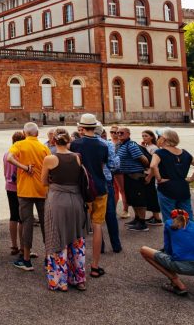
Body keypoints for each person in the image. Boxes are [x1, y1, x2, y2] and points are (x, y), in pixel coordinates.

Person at [41, 129, 88, 291]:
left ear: (53, 142)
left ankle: (60, 280)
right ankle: (78, 278)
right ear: (69, 142)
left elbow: (43, 181)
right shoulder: (77, 157)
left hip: (57, 200)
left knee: (57, 236)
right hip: (75, 199)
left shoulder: (50, 158)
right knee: (76, 238)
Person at [69, 113, 110, 278]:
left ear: (81, 127)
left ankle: (76, 264)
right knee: (98, 225)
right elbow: (101, 166)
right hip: (99, 188)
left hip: (81, 189)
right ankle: (94, 265)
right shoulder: (103, 146)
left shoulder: (75, 145)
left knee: (78, 227)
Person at [6, 122, 48, 271]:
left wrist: (24, 168)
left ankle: (26, 259)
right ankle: (48, 257)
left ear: (25, 134)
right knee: (45, 223)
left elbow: (9, 158)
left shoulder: (20, 145)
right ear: (37, 133)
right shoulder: (44, 147)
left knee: (26, 223)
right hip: (42, 189)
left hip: (25, 190)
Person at [150, 128, 194, 220]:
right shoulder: (185, 153)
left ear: (164, 139)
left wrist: (159, 179)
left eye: (158, 137)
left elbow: (153, 166)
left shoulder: (160, 152)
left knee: (169, 218)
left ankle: (173, 234)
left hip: (166, 188)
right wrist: (191, 179)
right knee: (187, 217)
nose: (157, 139)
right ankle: (190, 233)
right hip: (183, 188)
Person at [115, 127, 151, 232]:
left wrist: (144, 168)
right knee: (133, 199)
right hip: (128, 176)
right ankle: (137, 219)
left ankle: (143, 223)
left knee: (139, 200)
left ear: (128, 134)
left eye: (121, 133)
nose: (119, 134)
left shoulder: (131, 145)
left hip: (135, 176)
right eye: (117, 133)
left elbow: (144, 159)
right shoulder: (121, 145)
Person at [96, 125, 122, 254]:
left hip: (89, 181)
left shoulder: (78, 144)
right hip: (105, 180)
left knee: (94, 215)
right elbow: (114, 165)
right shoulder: (107, 144)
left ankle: (99, 246)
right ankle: (116, 245)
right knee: (110, 213)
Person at [3, 131, 25, 256]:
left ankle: (13, 245)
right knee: (22, 218)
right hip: (21, 188)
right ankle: (23, 247)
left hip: (9, 187)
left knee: (13, 216)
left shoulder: (7, 154)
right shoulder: (20, 155)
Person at [140, 129, 163, 226]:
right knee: (148, 196)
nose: (144, 138)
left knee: (152, 196)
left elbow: (154, 165)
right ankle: (154, 215)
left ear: (152, 137)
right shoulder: (147, 147)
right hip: (146, 172)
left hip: (150, 174)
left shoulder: (154, 148)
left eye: (146, 136)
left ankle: (157, 218)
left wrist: (150, 177)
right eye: (143, 136)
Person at [110, 126, 130, 219]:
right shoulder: (108, 142)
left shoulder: (121, 143)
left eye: (116, 132)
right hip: (111, 170)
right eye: (112, 132)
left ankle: (125, 210)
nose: (114, 134)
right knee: (114, 190)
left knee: (122, 190)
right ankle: (113, 210)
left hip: (120, 169)